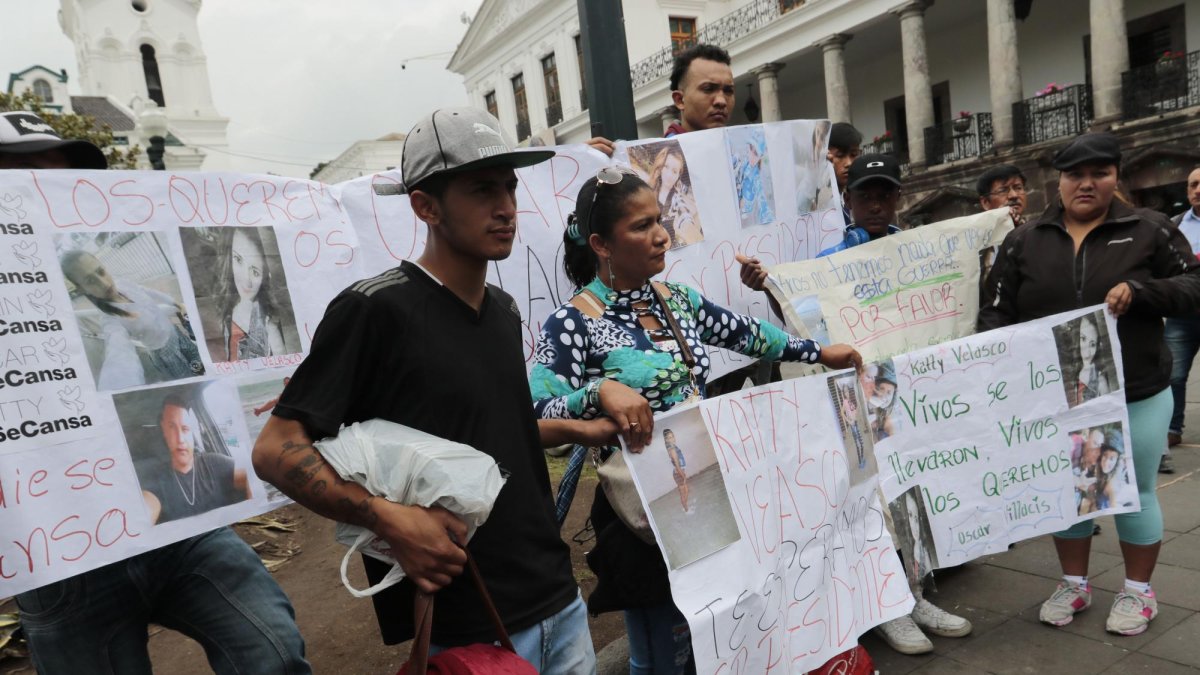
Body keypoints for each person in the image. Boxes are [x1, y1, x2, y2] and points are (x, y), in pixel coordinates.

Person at [252, 108, 600, 673]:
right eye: (483, 189)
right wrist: (385, 516)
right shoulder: (373, 310)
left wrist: (584, 424)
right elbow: (275, 449)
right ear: (425, 206)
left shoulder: (505, 313)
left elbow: (492, 431)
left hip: (558, 596)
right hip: (466, 621)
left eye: (510, 188)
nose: (506, 207)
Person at [2, 109, 309, 674]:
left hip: (180, 531)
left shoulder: (142, 300)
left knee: (272, 651)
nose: (104, 282)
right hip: (66, 557)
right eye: (20, 185)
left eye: (62, 183)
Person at [529, 167, 862, 674]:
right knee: (662, 652)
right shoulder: (573, 322)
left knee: (716, 633)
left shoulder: (677, 301)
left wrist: (821, 352)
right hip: (641, 515)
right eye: (641, 226)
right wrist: (595, 394)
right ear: (600, 243)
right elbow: (534, 415)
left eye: (659, 221)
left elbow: (750, 336)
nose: (661, 235)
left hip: (705, 494)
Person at [979, 132, 1200, 636]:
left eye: (1099, 173)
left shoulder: (1150, 228)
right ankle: (1075, 583)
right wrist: (991, 367)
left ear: (1115, 177)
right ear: (1057, 181)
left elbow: (1194, 286)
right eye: (1075, 174)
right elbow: (995, 312)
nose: (1086, 183)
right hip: (1057, 397)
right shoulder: (1025, 239)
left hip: (1136, 390)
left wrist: (1143, 291)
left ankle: (1139, 592)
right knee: (1070, 492)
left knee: (1134, 492)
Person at [59, 248, 204, 390]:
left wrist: (175, 303)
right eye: (90, 281)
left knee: (201, 364)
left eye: (100, 271)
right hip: (166, 353)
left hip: (176, 333)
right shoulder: (111, 320)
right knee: (193, 380)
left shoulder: (122, 283)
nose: (104, 283)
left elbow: (147, 291)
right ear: (82, 289)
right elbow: (118, 351)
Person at [141, 393, 252, 524]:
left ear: (194, 431)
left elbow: (251, 475)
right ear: (163, 430)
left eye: (185, 429)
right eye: (171, 427)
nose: (180, 439)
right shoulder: (155, 480)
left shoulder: (216, 463)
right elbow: (145, 509)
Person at [1162, 166, 1200, 472]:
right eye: (1193, 185)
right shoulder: (1176, 225)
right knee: (1173, 374)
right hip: (1183, 314)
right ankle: (1173, 429)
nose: (1198, 189)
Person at [216, 228, 287, 361]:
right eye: (238, 259)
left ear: (266, 277)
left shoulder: (268, 325)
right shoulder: (227, 307)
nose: (245, 280)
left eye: (255, 272)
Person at [646, 143, 701, 247]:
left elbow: (684, 215)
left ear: (678, 176)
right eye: (666, 167)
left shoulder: (676, 198)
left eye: (674, 171)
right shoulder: (648, 190)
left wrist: (691, 231)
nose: (669, 175)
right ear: (661, 167)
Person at [1068, 312, 1117, 406]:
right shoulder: (1075, 375)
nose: (1087, 352)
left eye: (1092, 344)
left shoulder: (1101, 383)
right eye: (1083, 339)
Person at [828, 122, 863, 226]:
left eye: (854, 155)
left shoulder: (849, 198)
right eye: (840, 155)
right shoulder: (816, 203)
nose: (849, 163)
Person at [663, 429, 690, 511]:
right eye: (670, 437)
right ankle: (686, 509)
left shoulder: (673, 447)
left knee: (686, 491)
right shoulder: (672, 450)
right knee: (683, 493)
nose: (673, 438)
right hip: (678, 473)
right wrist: (683, 476)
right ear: (666, 440)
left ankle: (686, 506)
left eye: (673, 436)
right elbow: (678, 467)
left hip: (679, 472)